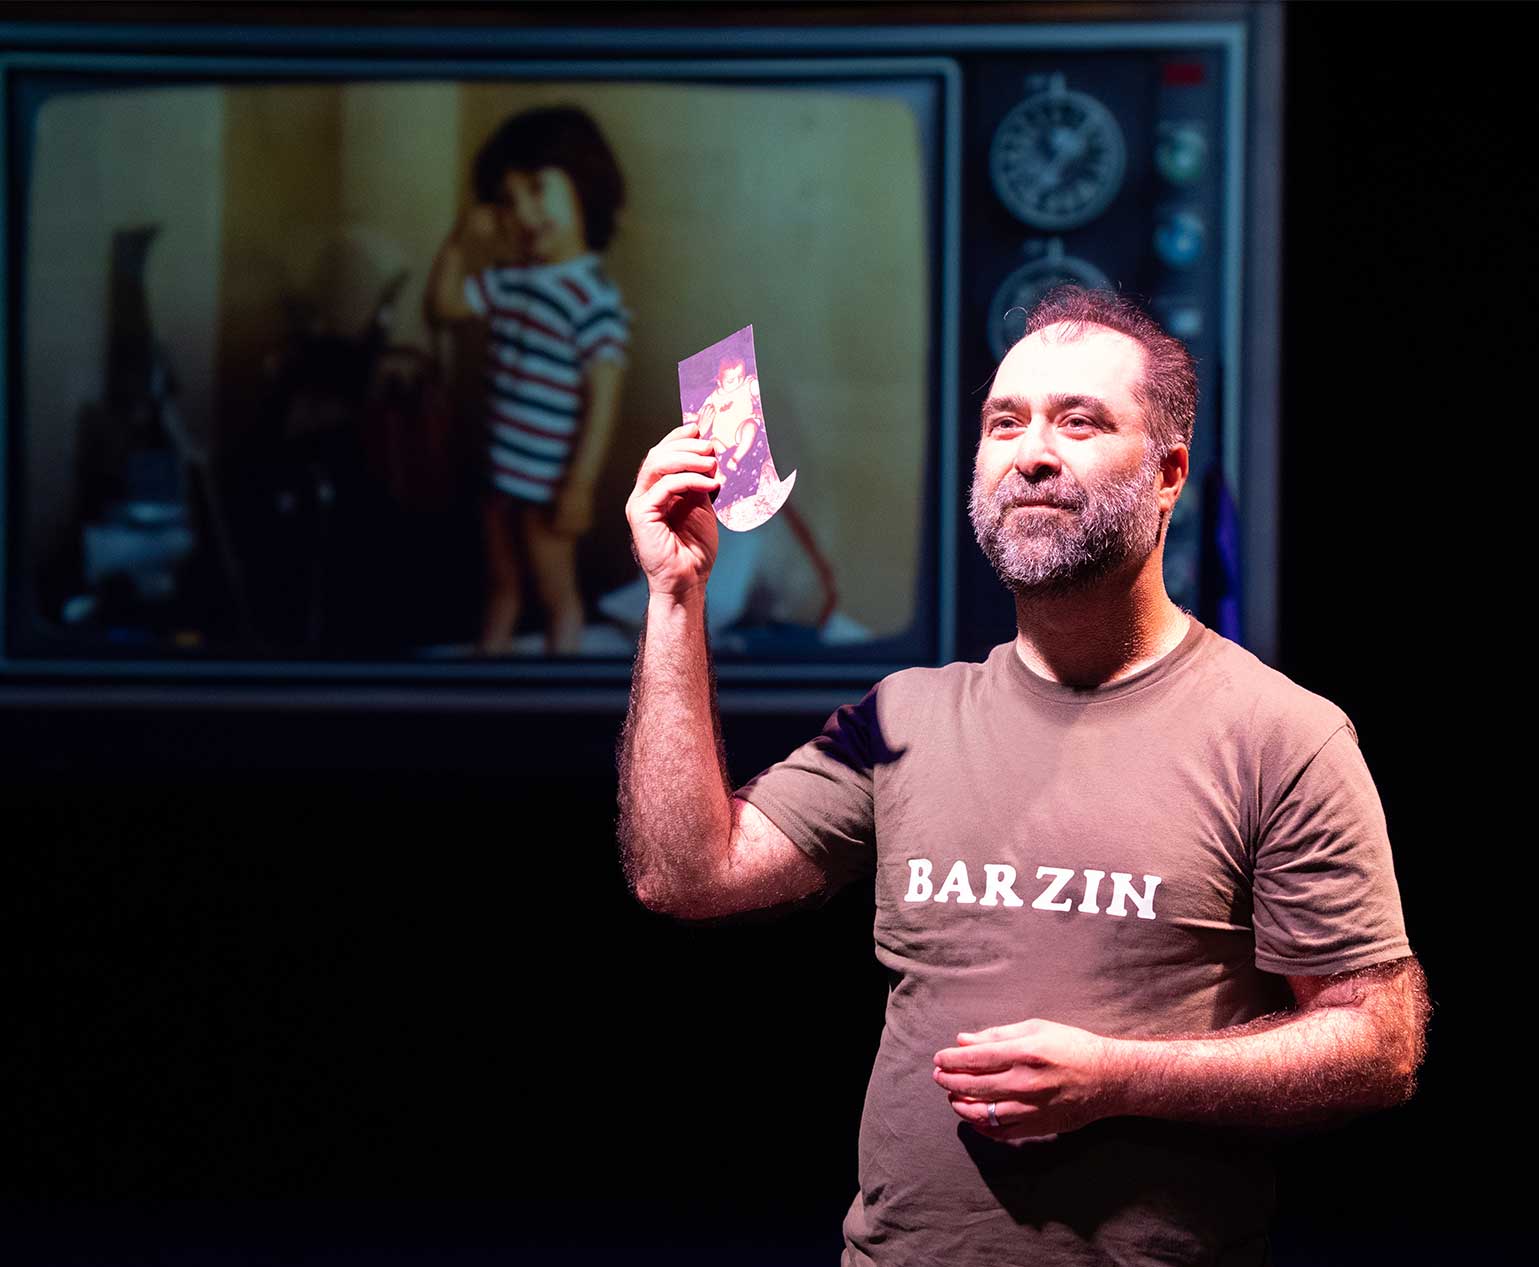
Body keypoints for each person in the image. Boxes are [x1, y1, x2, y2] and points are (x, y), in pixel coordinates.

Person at [617, 286, 1429, 1266]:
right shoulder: (900, 717)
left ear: (1170, 473)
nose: (1032, 451)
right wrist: (673, 592)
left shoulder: (1281, 734)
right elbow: (687, 873)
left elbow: (1378, 1042)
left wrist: (1121, 1077)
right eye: (1006, 422)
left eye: (1079, 421)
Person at [425, 105, 630, 654]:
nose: (525, 212)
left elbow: (603, 400)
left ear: (584, 187)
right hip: (500, 474)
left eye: (539, 190)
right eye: (510, 201)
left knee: (555, 593)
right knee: (501, 586)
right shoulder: (510, 281)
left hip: (548, 485)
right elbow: (441, 307)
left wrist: (580, 485)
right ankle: (483, 688)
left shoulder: (592, 299)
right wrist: (460, 239)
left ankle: (558, 694)